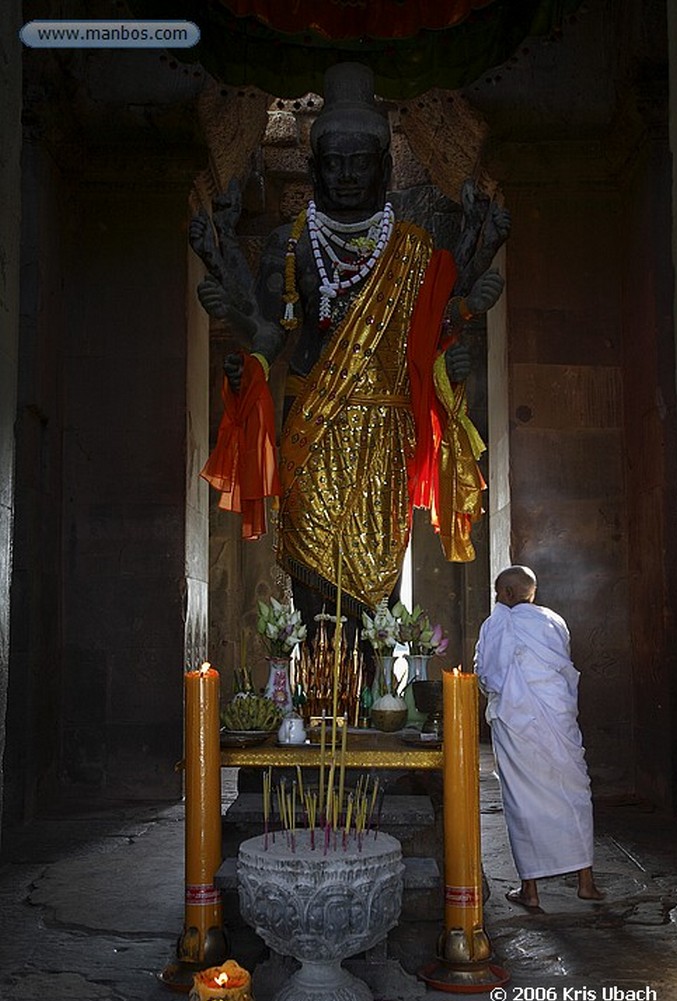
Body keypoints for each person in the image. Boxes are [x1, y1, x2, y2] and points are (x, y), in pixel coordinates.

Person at [190, 62, 509, 630]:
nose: (345, 176)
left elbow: (428, 341)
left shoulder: (413, 249)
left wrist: (449, 363)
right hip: (311, 422)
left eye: (359, 163)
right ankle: (314, 692)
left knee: (377, 575)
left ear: (385, 168)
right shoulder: (289, 245)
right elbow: (271, 334)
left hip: (385, 435)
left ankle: (378, 696)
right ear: (312, 168)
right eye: (332, 164)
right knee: (311, 566)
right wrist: (248, 359)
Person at [474, 565, 604, 908]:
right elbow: (562, 666)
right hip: (557, 719)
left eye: (497, 592)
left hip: (517, 721)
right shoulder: (552, 620)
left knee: (522, 799)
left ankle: (530, 890)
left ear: (508, 594)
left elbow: (487, 675)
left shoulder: (496, 624)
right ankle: (585, 881)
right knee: (573, 792)